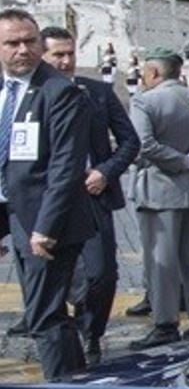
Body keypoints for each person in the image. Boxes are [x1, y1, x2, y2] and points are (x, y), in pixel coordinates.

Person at [0, 9, 94, 379]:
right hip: (13, 214)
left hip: (45, 221)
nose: (23, 50)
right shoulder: (5, 91)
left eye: (30, 41)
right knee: (45, 312)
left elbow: (66, 166)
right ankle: (77, 384)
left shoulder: (60, 91)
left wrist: (46, 227)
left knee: (45, 315)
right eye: (12, 43)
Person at [38, 25, 140, 365]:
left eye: (70, 54)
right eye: (58, 55)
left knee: (102, 273)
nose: (66, 61)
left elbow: (130, 141)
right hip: (45, 199)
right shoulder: (29, 96)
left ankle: (91, 330)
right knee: (50, 275)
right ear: (43, 55)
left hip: (91, 193)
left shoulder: (97, 91)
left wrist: (106, 171)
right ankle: (60, 337)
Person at [128, 46, 189, 349]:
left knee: (161, 262)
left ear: (154, 72)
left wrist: (180, 162)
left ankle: (165, 323)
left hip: (158, 191)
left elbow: (143, 144)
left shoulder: (144, 101)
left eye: (145, 72)